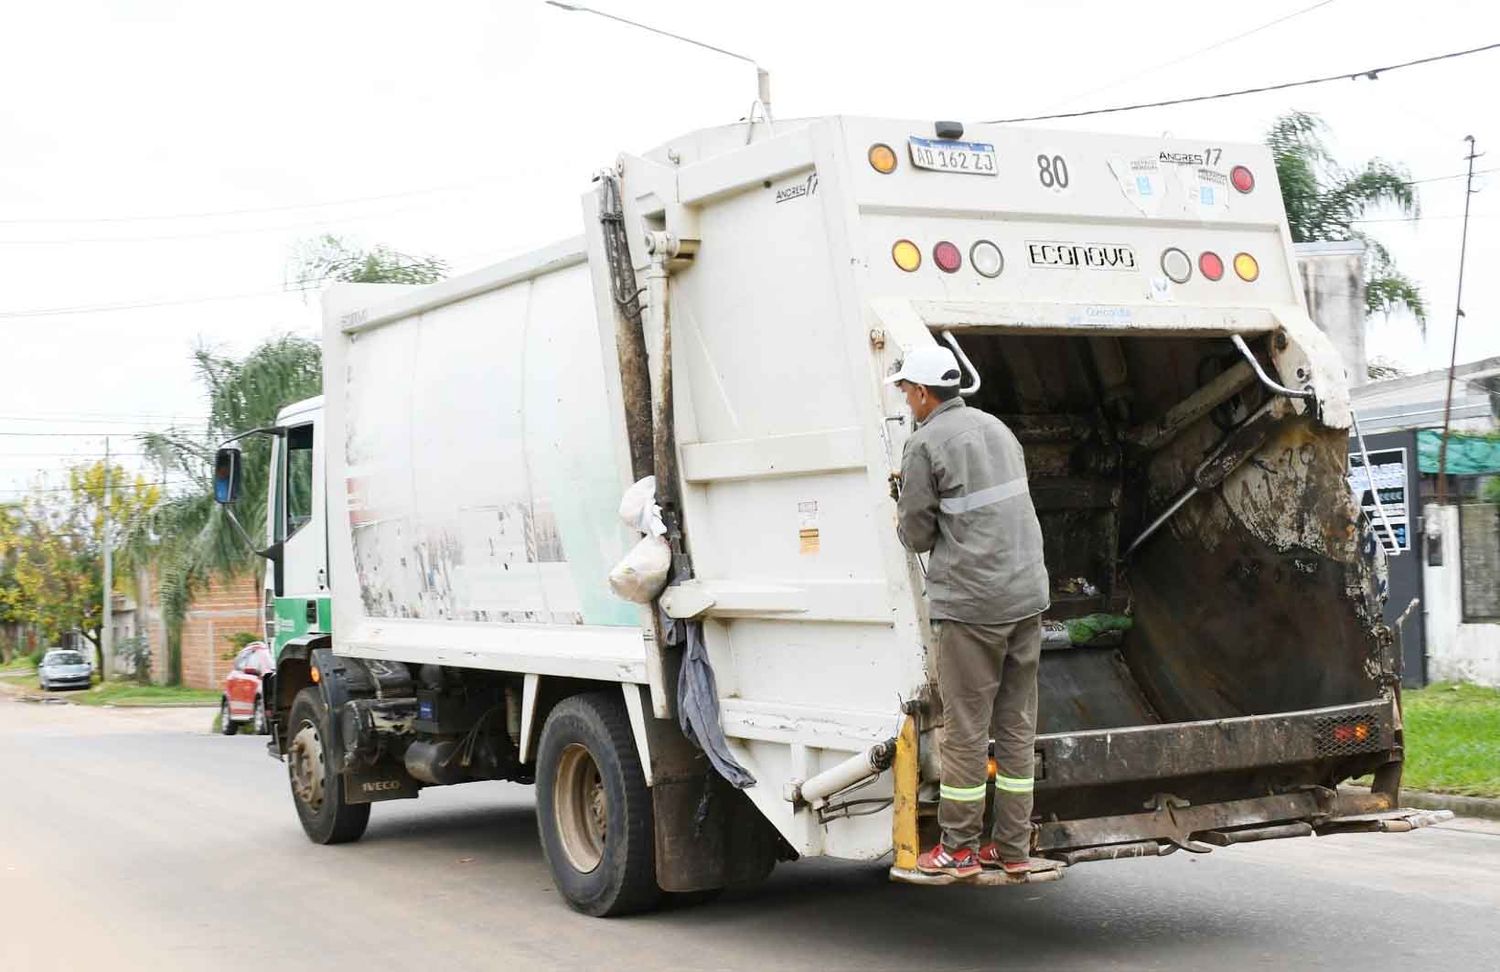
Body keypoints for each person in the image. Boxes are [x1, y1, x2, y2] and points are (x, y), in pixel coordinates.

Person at [887, 344, 1052, 879]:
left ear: (923, 392)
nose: (907, 399)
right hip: (1026, 597)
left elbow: (916, 533)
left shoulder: (923, 443)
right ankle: (1012, 846)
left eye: (907, 390)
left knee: (965, 729)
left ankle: (959, 848)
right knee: (1016, 727)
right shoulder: (999, 429)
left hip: (974, 608)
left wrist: (902, 500)